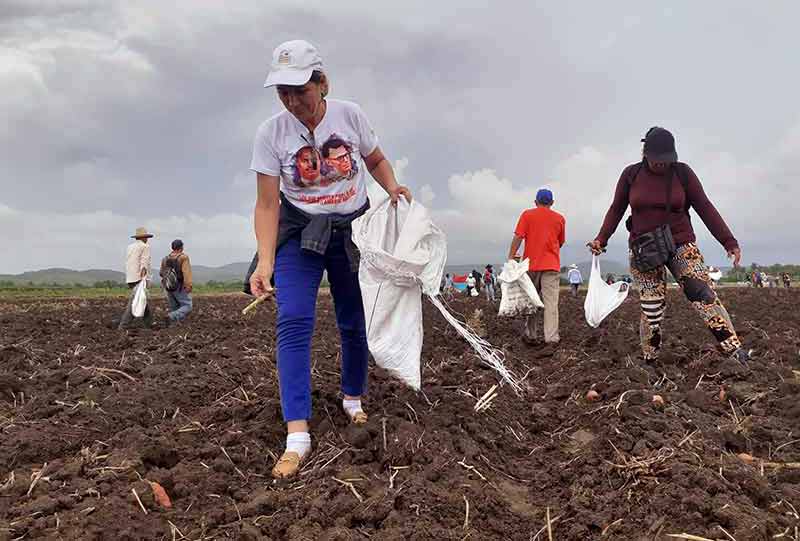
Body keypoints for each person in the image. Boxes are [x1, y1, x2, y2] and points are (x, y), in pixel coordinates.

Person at [248, 40, 412, 479]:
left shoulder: (350, 116)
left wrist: (392, 186)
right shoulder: (272, 133)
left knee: (354, 320)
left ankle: (353, 398)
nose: (291, 100)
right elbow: (267, 205)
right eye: (282, 92)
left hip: (351, 231)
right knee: (294, 320)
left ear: (322, 84)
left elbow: (375, 159)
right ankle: (297, 434)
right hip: (300, 233)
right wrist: (265, 263)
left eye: (299, 89)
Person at [588, 127, 749, 364]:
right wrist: (601, 239)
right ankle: (650, 360)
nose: (661, 165)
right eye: (657, 160)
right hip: (644, 249)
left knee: (703, 295)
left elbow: (704, 206)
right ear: (646, 153)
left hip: (681, 244)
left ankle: (734, 351)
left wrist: (728, 241)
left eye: (666, 160)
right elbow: (616, 209)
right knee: (652, 309)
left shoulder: (682, 173)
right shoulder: (631, 175)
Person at [508, 188, 565, 345]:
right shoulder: (560, 219)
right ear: (552, 203)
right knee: (551, 303)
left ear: (535, 202)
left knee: (532, 300)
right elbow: (560, 242)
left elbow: (518, 236)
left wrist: (511, 256)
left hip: (530, 265)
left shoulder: (527, 215)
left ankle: (531, 334)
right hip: (552, 266)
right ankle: (551, 338)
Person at [119, 227, 153, 329]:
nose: (147, 239)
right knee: (135, 301)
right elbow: (144, 262)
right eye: (146, 237)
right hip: (139, 278)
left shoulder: (130, 247)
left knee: (142, 300)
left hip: (130, 278)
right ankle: (123, 325)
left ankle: (148, 324)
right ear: (144, 238)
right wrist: (143, 279)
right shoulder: (145, 247)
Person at [159, 239, 193, 326]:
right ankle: (171, 316)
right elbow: (186, 272)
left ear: (172, 248)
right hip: (180, 286)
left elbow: (161, 273)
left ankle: (174, 326)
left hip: (168, 287)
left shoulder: (165, 259)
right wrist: (188, 285)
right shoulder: (183, 257)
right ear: (181, 248)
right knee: (187, 306)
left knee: (174, 307)